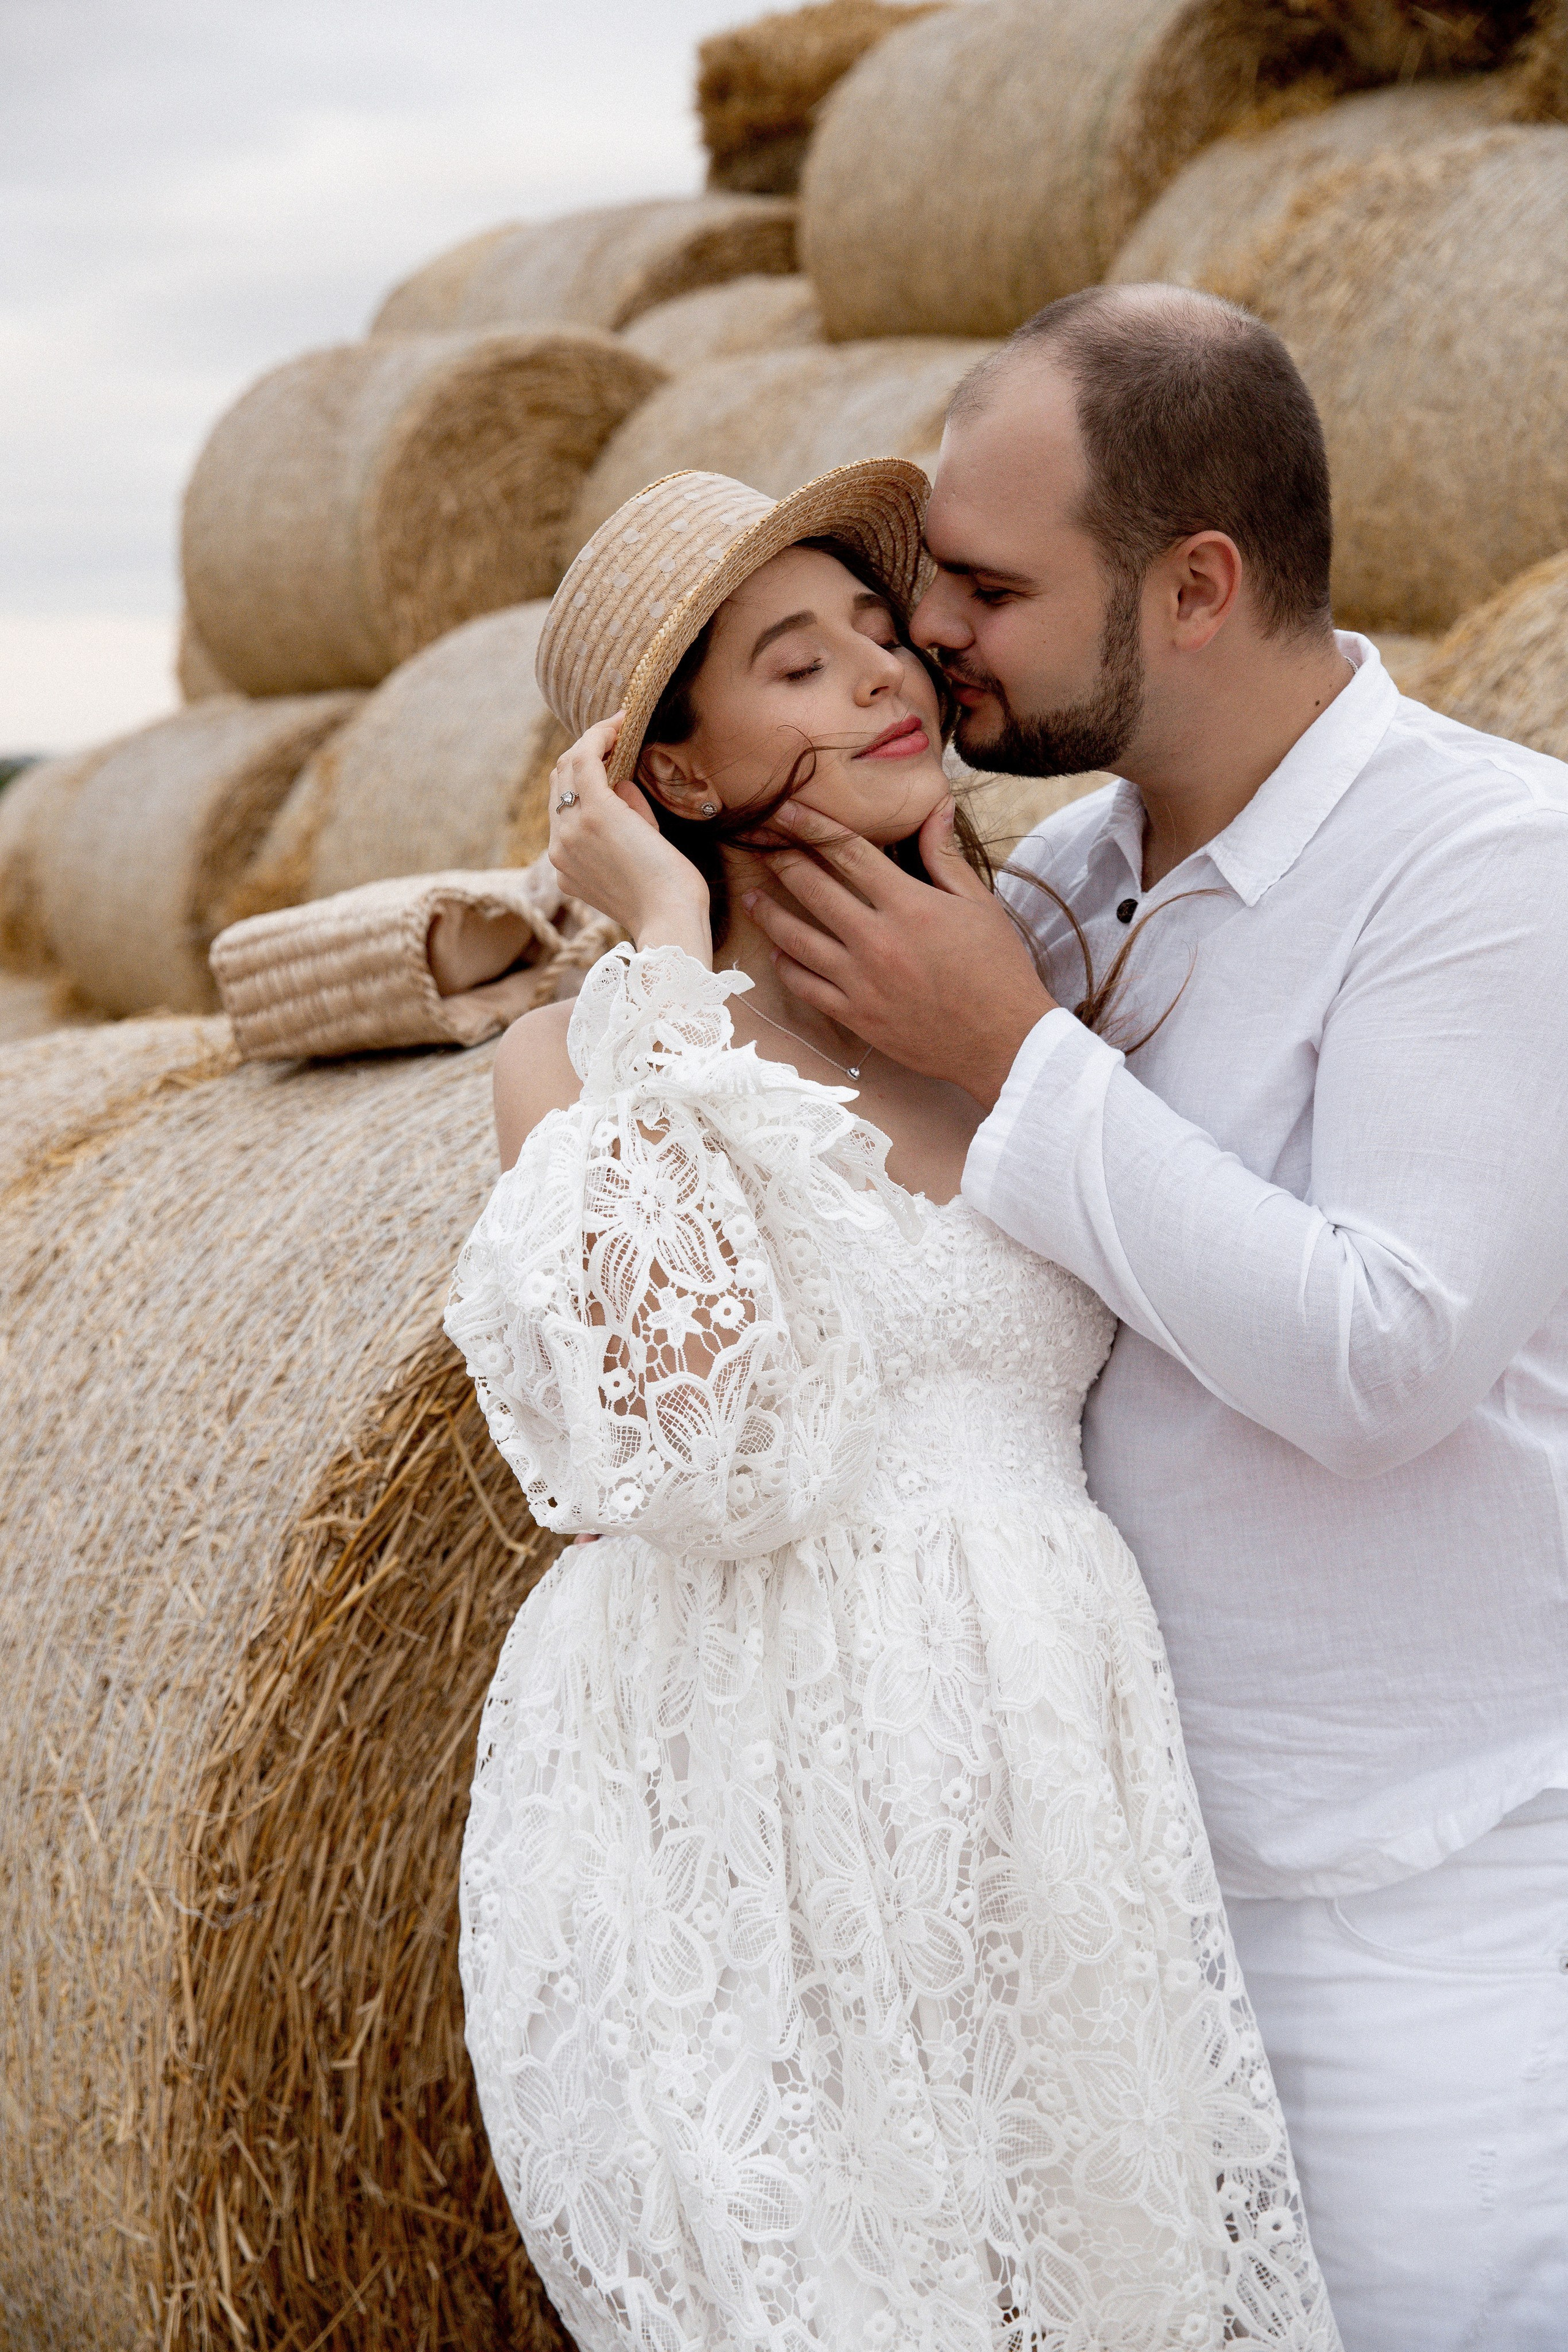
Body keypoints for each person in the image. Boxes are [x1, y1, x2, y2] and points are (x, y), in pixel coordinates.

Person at [740, 285, 1568, 2352]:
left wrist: (1015, 1058)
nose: (932, 636)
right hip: (1121, 1925)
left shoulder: (1485, 865)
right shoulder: (1062, 873)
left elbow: (1384, 1355)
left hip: (1418, 1920)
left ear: (1197, 588)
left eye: (993, 590)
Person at [442, 461, 1341, 2351]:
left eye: (880, 632)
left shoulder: (1021, 1005)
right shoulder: (580, 1068)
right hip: (749, 1790)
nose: (883, 675)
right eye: (795, 664)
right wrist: (661, 957)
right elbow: (701, 1444)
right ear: (667, 774)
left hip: (1043, 1765)